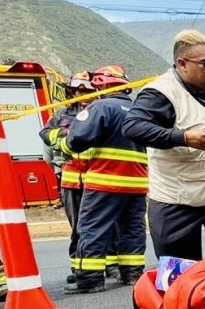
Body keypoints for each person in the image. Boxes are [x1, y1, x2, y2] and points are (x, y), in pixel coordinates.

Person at [123, 31, 205, 263]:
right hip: (179, 202)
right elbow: (133, 126)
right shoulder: (160, 93)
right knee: (180, 275)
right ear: (182, 64)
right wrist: (183, 137)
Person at [60, 66, 148, 293]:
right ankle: (132, 274)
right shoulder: (139, 109)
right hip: (137, 183)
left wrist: (63, 145)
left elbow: (77, 139)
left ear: (103, 85)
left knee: (92, 228)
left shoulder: (100, 107)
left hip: (105, 180)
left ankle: (90, 280)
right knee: (132, 229)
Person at [40, 71, 95, 282]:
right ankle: (79, 268)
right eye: (80, 91)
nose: (85, 95)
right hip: (72, 179)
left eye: (89, 90)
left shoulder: (101, 111)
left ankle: (110, 266)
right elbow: (45, 135)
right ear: (71, 92)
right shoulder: (61, 115)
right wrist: (67, 136)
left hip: (99, 177)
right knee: (78, 226)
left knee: (105, 224)